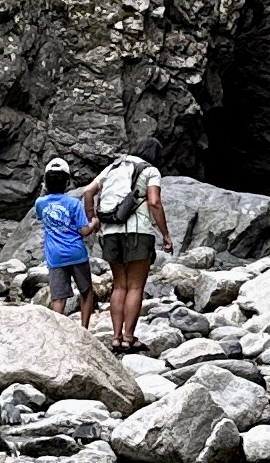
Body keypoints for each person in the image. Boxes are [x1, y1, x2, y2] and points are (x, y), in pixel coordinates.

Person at [89, 145, 171, 352]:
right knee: (135, 287)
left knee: (119, 286)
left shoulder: (113, 167)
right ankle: (128, 338)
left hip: (110, 232)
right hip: (138, 232)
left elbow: (88, 192)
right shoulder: (150, 170)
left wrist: (92, 218)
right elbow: (154, 202)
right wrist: (165, 234)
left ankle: (116, 338)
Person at [33, 161, 94, 316]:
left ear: (45, 182)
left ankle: (59, 330)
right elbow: (85, 230)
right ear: (68, 183)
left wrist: (44, 188)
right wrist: (94, 222)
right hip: (76, 253)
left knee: (58, 298)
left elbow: (40, 214)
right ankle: (84, 329)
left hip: (55, 256)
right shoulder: (74, 203)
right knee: (86, 292)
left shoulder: (40, 203)